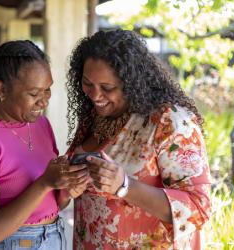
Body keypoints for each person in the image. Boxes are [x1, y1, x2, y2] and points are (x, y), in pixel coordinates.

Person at [65, 29, 212, 249]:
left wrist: (125, 186)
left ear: (132, 82)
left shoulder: (170, 121)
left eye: (107, 88)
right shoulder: (93, 117)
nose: (95, 95)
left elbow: (198, 208)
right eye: (87, 83)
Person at [0, 40, 89, 249]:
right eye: (34, 94)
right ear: (1, 89)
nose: (43, 101)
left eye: (47, 90)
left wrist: (67, 189)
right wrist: (44, 183)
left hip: (54, 237)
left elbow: (53, 205)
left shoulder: (41, 124)